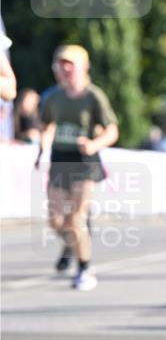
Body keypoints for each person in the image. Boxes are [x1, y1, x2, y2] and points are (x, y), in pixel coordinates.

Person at [35, 45, 119, 290]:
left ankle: (85, 268)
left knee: (75, 217)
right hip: (60, 158)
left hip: (84, 160)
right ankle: (73, 244)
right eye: (61, 64)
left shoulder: (93, 96)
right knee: (55, 220)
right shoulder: (53, 97)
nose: (65, 69)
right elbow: (46, 126)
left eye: (70, 64)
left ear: (84, 66)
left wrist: (94, 144)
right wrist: (41, 151)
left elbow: (112, 131)